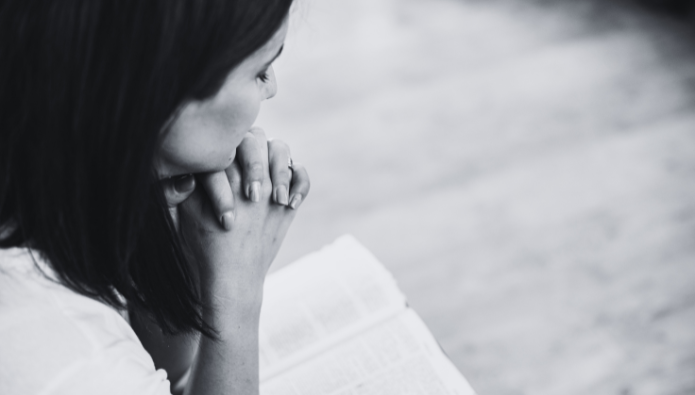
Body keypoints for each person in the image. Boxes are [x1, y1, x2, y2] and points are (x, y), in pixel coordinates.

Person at [0, 1, 309, 394]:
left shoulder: (51, 197)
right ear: (164, 89)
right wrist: (236, 300)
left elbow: (166, 375)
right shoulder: (69, 357)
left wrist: (189, 253)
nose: (273, 88)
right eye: (260, 70)